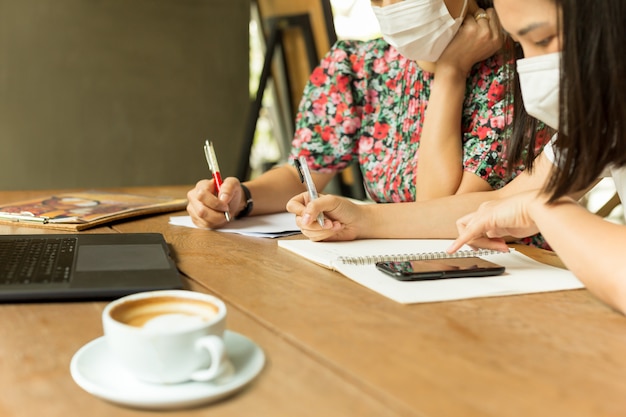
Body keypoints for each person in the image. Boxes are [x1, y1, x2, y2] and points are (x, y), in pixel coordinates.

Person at [289, 0, 626, 314]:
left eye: (543, 38)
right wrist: (361, 221)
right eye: (523, 45)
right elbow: (496, 205)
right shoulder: (602, 123)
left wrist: (541, 209)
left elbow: (527, 205)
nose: (532, 67)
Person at [187, 0, 549, 230]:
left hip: (502, 277)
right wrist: (242, 197)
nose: (391, 5)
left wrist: (451, 72)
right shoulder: (357, 66)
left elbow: (440, 211)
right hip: (391, 269)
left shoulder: (523, 70)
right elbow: (305, 172)